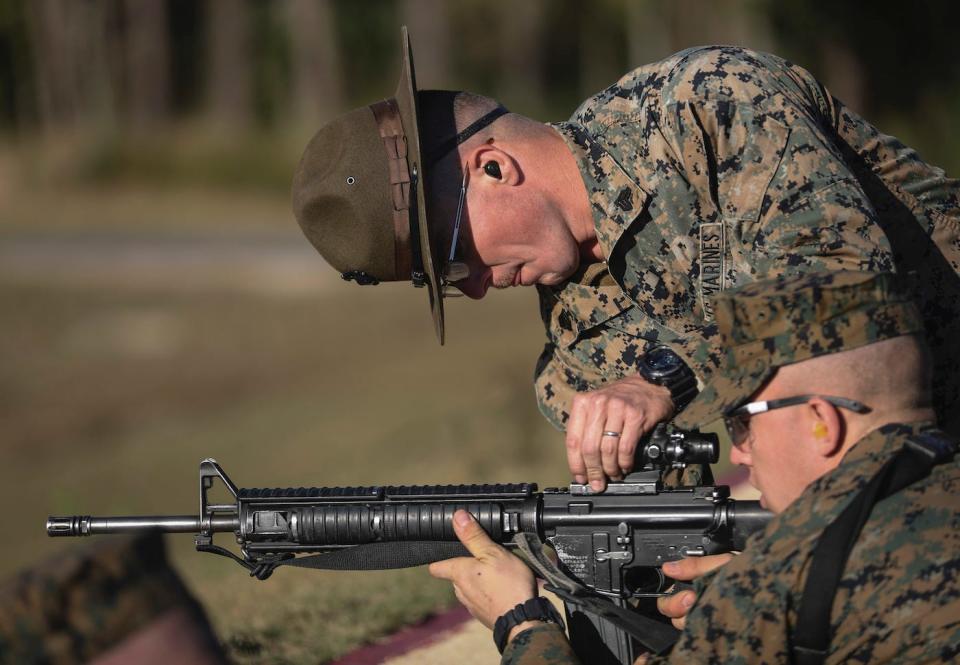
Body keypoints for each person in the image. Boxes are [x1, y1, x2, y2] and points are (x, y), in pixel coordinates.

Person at [292, 29, 960, 491]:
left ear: (493, 166)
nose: (475, 290)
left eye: (457, 258)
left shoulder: (706, 107)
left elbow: (840, 287)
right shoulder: (579, 345)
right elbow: (677, 502)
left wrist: (666, 377)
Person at [428, 270, 960, 663]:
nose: (740, 453)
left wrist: (522, 626)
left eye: (744, 422)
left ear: (822, 422)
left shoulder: (773, 583)